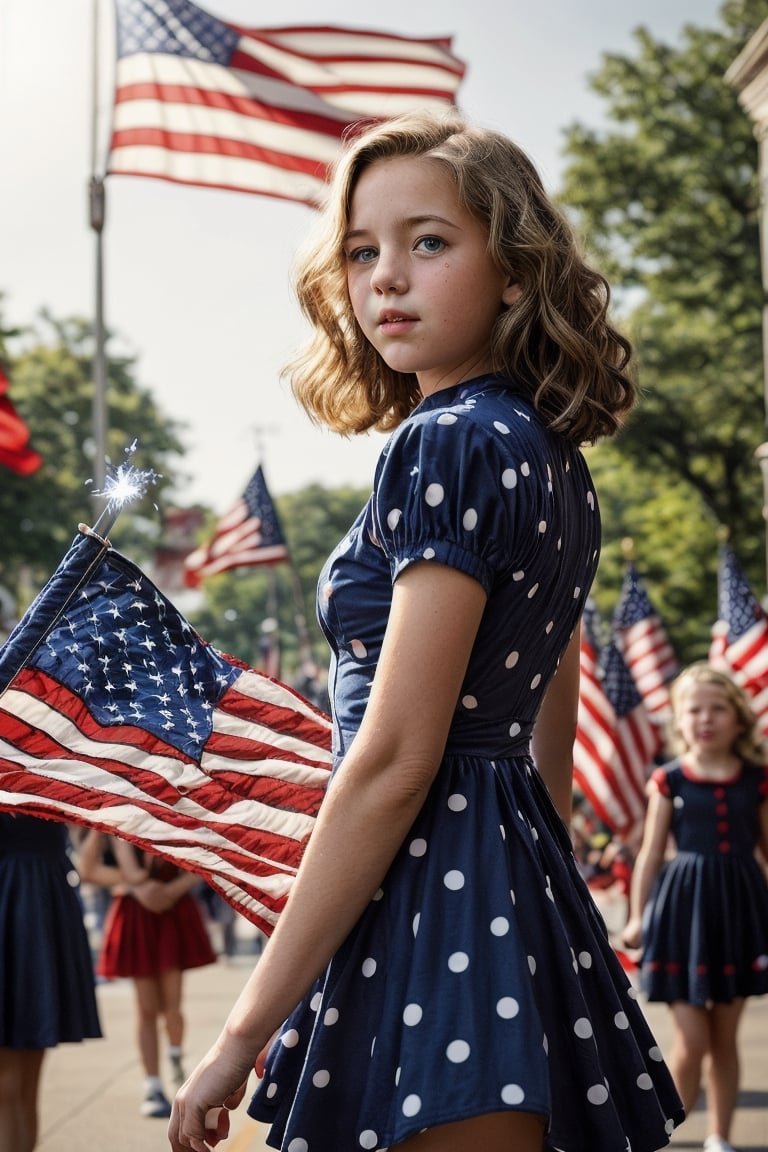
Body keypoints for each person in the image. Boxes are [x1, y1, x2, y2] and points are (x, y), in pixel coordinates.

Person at [168, 108, 684, 1152]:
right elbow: (554, 681)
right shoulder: (546, 452)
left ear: (514, 271)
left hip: (432, 877)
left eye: (429, 241)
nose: (385, 278)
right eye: (362, 251)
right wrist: (533, 873)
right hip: (509, 873)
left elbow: (397, 755)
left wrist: (239, 1034)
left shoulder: (443, 443)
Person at [622, 663, 768, 1152]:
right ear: (679, 721)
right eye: (694, 709)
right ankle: (667, 1133)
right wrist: (637, 916)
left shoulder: (757, 780)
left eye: (718, 708)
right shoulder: (669, 780)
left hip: (739, 913)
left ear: (738, 717)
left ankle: (719, 1136)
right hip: (683, 914)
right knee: (691, 1040)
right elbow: (649, 854)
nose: (706, 718)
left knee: (724, 1038)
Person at [77, 830, 216, 1119]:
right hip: (137, 914)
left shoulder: (172, 823)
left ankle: (175, 1056)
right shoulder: (116, 826)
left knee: (172, 1008)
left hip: (170, 907)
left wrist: (168, 891)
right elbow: (94, 871)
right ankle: (152, 1084)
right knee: (146, 1009)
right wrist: (136, 885)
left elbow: (201, 867)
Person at [0, 813, 102, 1152]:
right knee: (20, 1085)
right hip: (41, 899)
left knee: (16, 1084)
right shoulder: (44, 764)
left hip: (23, 902)